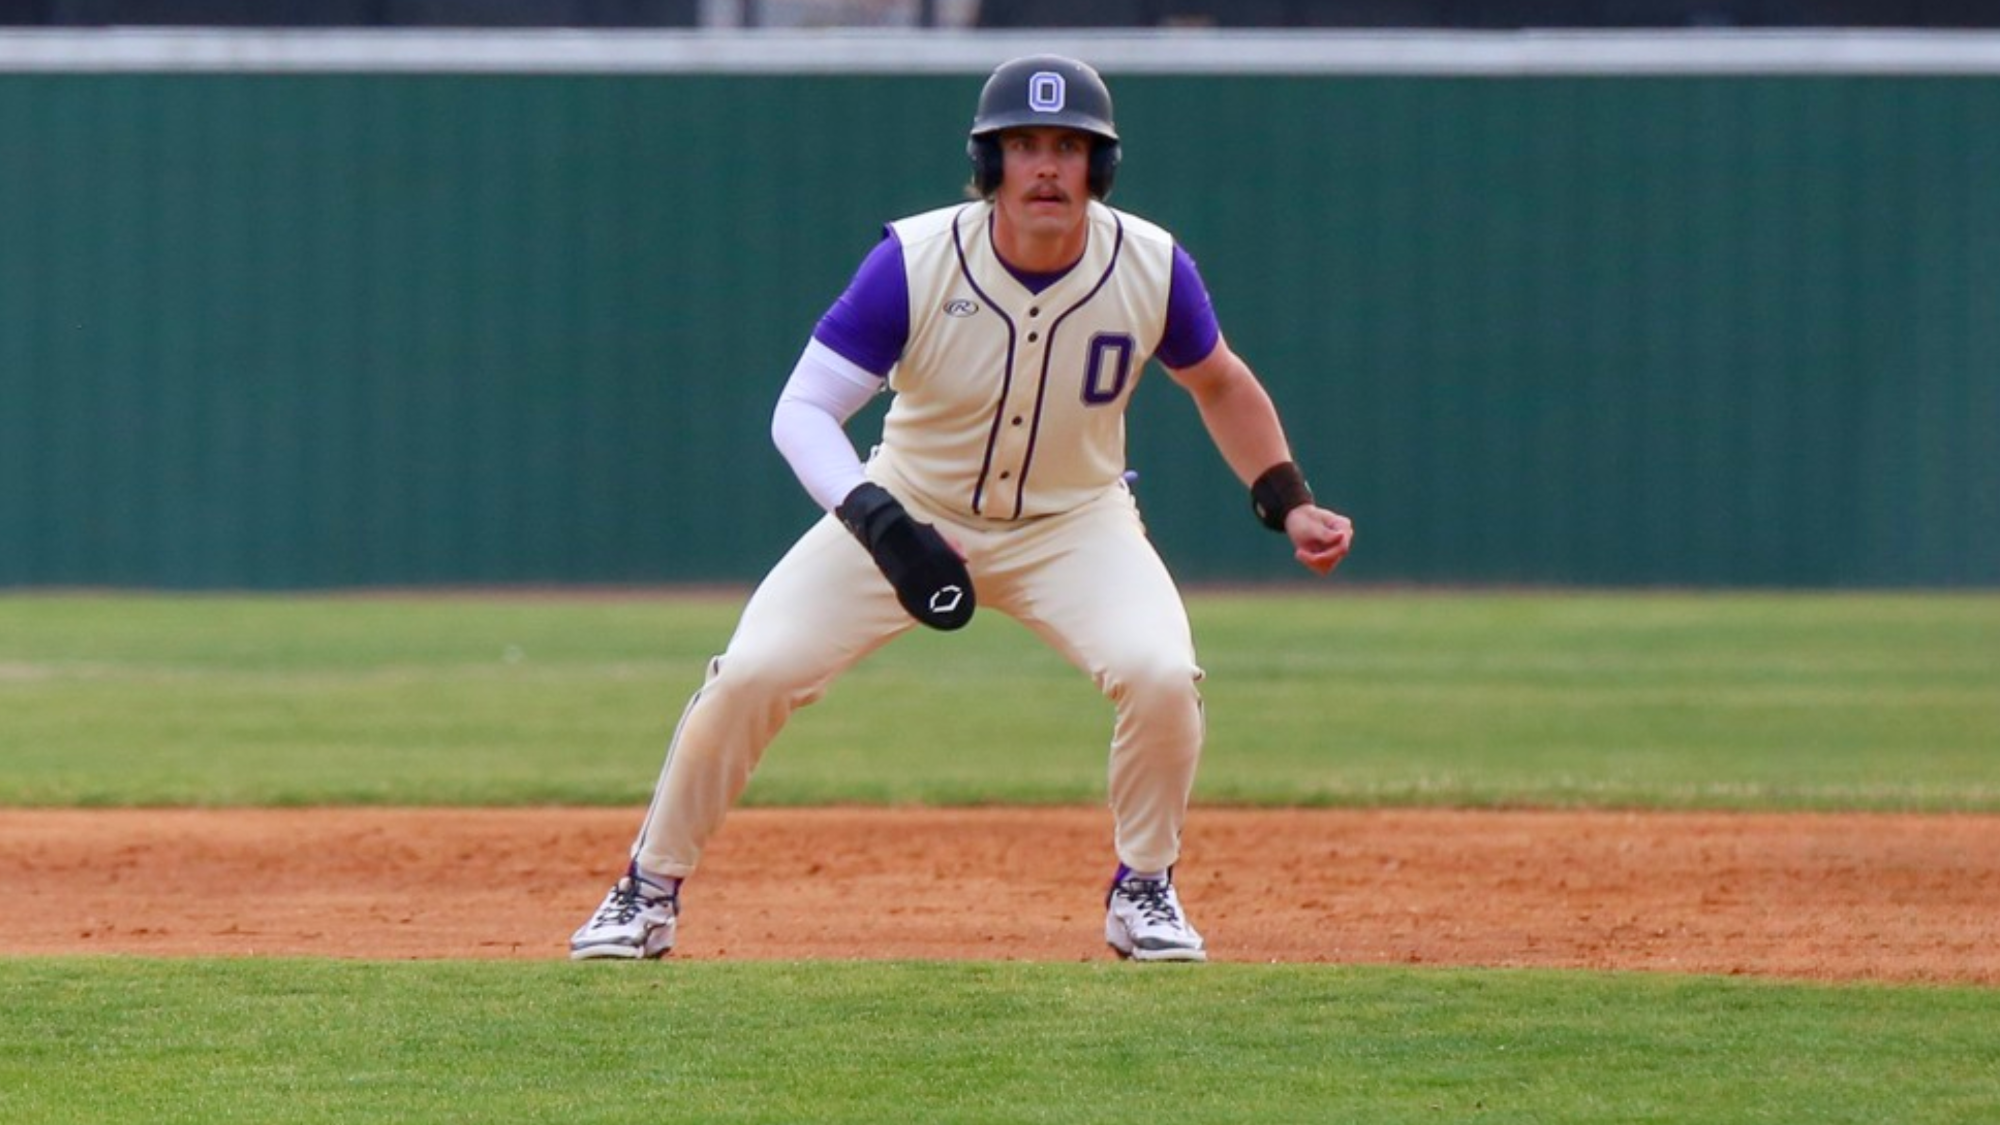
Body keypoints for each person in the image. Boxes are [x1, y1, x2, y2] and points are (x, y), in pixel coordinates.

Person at [570, 54, 1354, 964]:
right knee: (751, 671)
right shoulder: (914, 259)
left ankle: (1146, 886)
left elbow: (1218, 381)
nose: (1048, 167)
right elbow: (802, 410)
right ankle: (647, 888)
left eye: (1071, 146)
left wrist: (1286, 497)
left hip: (1076, 525)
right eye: (1024, 146)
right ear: (989, 165)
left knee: (1161, 673)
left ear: (1101, 166)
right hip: (909, 505)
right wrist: (878, 520)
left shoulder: (1148, 263)